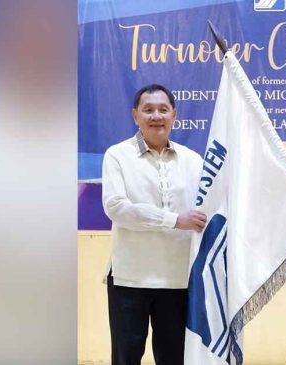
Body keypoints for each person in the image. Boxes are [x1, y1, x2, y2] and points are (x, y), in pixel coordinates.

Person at [101, 84, 206, 365]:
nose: (156, 116)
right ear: (135, 115)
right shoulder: (117, 155)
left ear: (175, 115)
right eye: (148, 110)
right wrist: (174, 220)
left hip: (178, 279)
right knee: (126, 358)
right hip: (129, 277)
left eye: (163, 109)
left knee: (173, 358)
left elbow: (211, 208)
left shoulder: (194, 161)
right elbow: (117, 208)